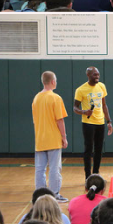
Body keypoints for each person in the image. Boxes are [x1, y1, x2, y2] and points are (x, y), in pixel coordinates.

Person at [33, 71, 70, 203]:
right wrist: (64, 136)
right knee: (55, 169)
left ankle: (40, 195)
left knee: (40, 169)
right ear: (53, 82)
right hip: (53, 139)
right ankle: (54, 195)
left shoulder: (36, 98)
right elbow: (60, 120)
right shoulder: (56, 98)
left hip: (40, 139)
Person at [74, 66, 111, 179]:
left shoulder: (101, 86)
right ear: (88, 75)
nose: (97, 76)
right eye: (95, 74)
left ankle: (95, 173)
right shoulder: (80, 90)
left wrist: (108, 121)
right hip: (88, 123)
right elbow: (75, 107)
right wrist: (84, 112)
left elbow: (104, 105)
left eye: (98, 74)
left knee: (99, 149)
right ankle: (87, 175)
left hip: (100, 122)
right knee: (88, 149)